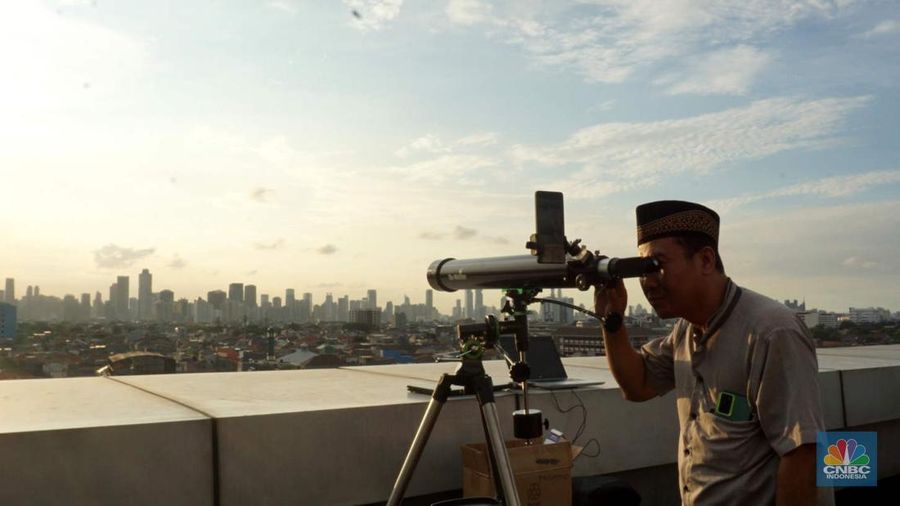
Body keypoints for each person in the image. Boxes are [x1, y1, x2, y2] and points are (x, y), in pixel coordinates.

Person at [594, 200, 827, 506]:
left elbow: (803, 454)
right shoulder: (687, 330)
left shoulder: (771, 332)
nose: (648, 283)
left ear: (705, 260)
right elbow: (637, 385)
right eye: (643, 270)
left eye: (658, 265)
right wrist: (612, 320)